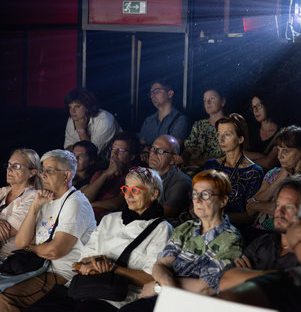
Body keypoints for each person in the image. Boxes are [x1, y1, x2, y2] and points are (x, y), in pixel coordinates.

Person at [33, 167, 172, 312]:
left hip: (115, 297)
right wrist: (89, 265)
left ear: (153, 194)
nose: (129, 195)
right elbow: (79, 262)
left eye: (136, 190)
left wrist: (113, 268)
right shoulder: (110, 219)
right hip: (81, 288)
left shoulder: (161, 229)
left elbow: (151, 277)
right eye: (126, 189)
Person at [118, 169, 244, 312]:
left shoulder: (231, 238)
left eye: (205, 194)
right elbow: (160, 265)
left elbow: (205, 288)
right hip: (166, 296)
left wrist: (158, 286)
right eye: (195, 194)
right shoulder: (187, 227)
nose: (197, 200)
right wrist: (166, 286)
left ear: (223, 201)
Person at [0, 150, 96, 311]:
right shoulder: (46, 199)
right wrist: (35, 208)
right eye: (43, 170)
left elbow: (54, 251)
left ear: (66, 176)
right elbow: (20, 241)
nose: (43, 175)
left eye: (49, 171)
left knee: (4, 299)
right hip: (36, 265)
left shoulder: (76, 203)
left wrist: (31, 248)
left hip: (61, 273)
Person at [216, 176, 301, 312]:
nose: (279, 212)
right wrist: (278, 275)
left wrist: (248, 273)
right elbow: (225, 281)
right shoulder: (263, 242)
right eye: (278, 205)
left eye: (289, 207)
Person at [247, 125, 301, 232]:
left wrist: (256, 206)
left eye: (286, 151)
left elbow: (294, 212)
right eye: (278, 150)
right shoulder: (273, 173)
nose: (279, 156)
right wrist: (280, 178)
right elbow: (249, 209)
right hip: (256, 231)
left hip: (285, 235)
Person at [204, 113, 264, 226]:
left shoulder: (253, 172)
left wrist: (217, 216)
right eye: (219, 134)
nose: (221, 139)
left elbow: (250, 216)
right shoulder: (211, 165)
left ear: (240, 139)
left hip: (235, 229)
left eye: (227, 134)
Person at [81, 132, 142, 222]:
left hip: (109, 220)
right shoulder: (101, 173)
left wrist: (91, 204)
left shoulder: (136, 174)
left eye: (121, 150)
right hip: (85, 217)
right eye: (113, 148)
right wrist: (106, 174)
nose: (114, 153)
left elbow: (117, 204)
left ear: (131, 156)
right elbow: (83, 198)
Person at [0, 149, 41, 260]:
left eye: (16, 166)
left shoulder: (33, 197)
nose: (9, 169)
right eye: (9, 165)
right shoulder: (3, 191)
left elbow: (3, 234)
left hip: (7, 261)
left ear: (32, 173)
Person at [63, 88, 121, 156]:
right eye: (70, 107)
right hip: (82, 161)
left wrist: (81, 130)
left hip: (109, 161)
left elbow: (91, 154)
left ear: (87, 107)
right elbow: (67, 149)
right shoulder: (72, 118)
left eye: (77, 107)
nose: (72, 111)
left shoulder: (105, 120)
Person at [148, 135, 191, 219]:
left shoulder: (181, 181)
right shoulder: (145, 174)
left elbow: (167, 212)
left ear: (173, 159)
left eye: (160, 151)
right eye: (153, 148)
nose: (153, 153)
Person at [182, 88, 225, 167]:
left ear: (222, 101)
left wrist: (194, 162)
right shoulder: (199, 125)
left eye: (212, 98)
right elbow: (189, 148)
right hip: (196, 168)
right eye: (205, 100)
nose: (208, 102)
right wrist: (184, 159)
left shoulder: (230, 124)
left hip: (220, 169)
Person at [139, 80, 189, 147]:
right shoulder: (148, 120)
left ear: (170, 94)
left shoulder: (180, 120)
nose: (152, 96)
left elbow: (172, 148)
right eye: (151, 94)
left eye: (156, 92)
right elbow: (141, 145)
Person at [245, 90, 281, 171]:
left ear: (268, 105)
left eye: (259, 105)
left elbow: (268, 163)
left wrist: (243, 163)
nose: (256, 110)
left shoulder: (281, 133)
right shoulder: (251, 131)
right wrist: (261, 156)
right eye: (253, 107)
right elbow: (240, 154)